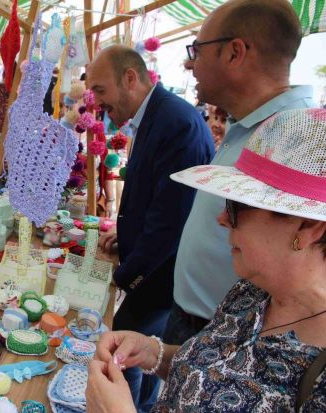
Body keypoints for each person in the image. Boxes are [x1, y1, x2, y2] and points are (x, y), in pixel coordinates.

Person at [87, 108, 326, 412]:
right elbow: (212, 372)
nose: (223, 217)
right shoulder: (251, 292)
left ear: (307, 227)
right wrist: (152, 352)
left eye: (239, 206)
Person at [166, 0, 316, 347]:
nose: (190, 64)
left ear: (235, 52)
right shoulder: (247, 123)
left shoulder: (298, 138)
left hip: (233, 341)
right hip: (197, 321)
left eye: (197, 50)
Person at [88, 46, 214, 412]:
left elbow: (169, 220)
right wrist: (124, 237)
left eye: (99, 90)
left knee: (126, 345)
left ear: (130, 78)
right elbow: (149, 196)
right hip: (153, 268)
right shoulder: (154, 115)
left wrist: (126, 277)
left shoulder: (176, 121)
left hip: (160, 275)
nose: (96, 103)